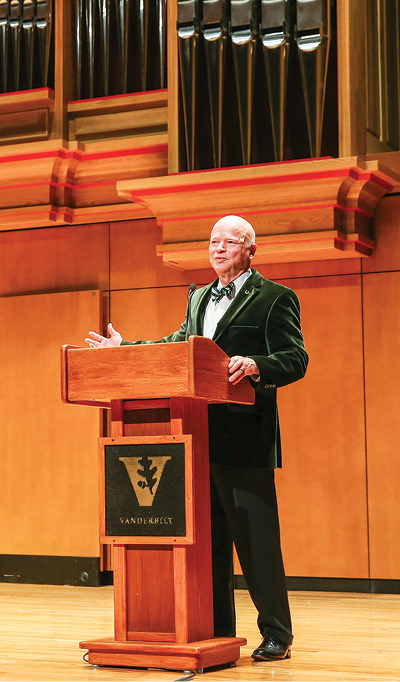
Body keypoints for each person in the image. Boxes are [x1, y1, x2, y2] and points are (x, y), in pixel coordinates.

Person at [86, 214, 308, 661]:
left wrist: (257, 365)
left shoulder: (275, 298)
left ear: (250, 249)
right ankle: (218, 628)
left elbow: (295, 358)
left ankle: (277, 634)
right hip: (193, 437)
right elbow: (179, 346)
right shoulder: (198, 297)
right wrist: (125, 351)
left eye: (230, 241)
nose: (219, 247)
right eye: (213, 241)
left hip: (244, 439)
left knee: (255, 539)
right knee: (207, 544)